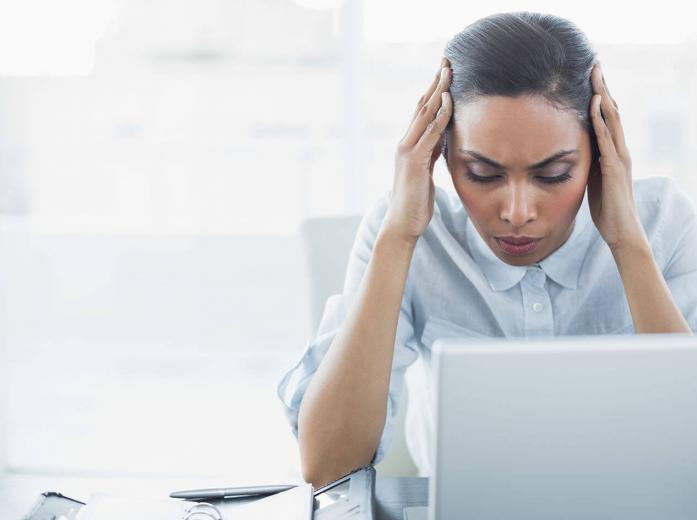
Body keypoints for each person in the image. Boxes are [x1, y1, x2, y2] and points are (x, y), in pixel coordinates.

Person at [276, 11, 697, 488]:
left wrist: (627, 244)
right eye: (482, 173)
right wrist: (398, 240)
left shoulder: (665, 222)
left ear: (601, 156)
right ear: (441, 154)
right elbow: (329, 465)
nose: (517, 212)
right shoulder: (406, 234)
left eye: (553, 174)